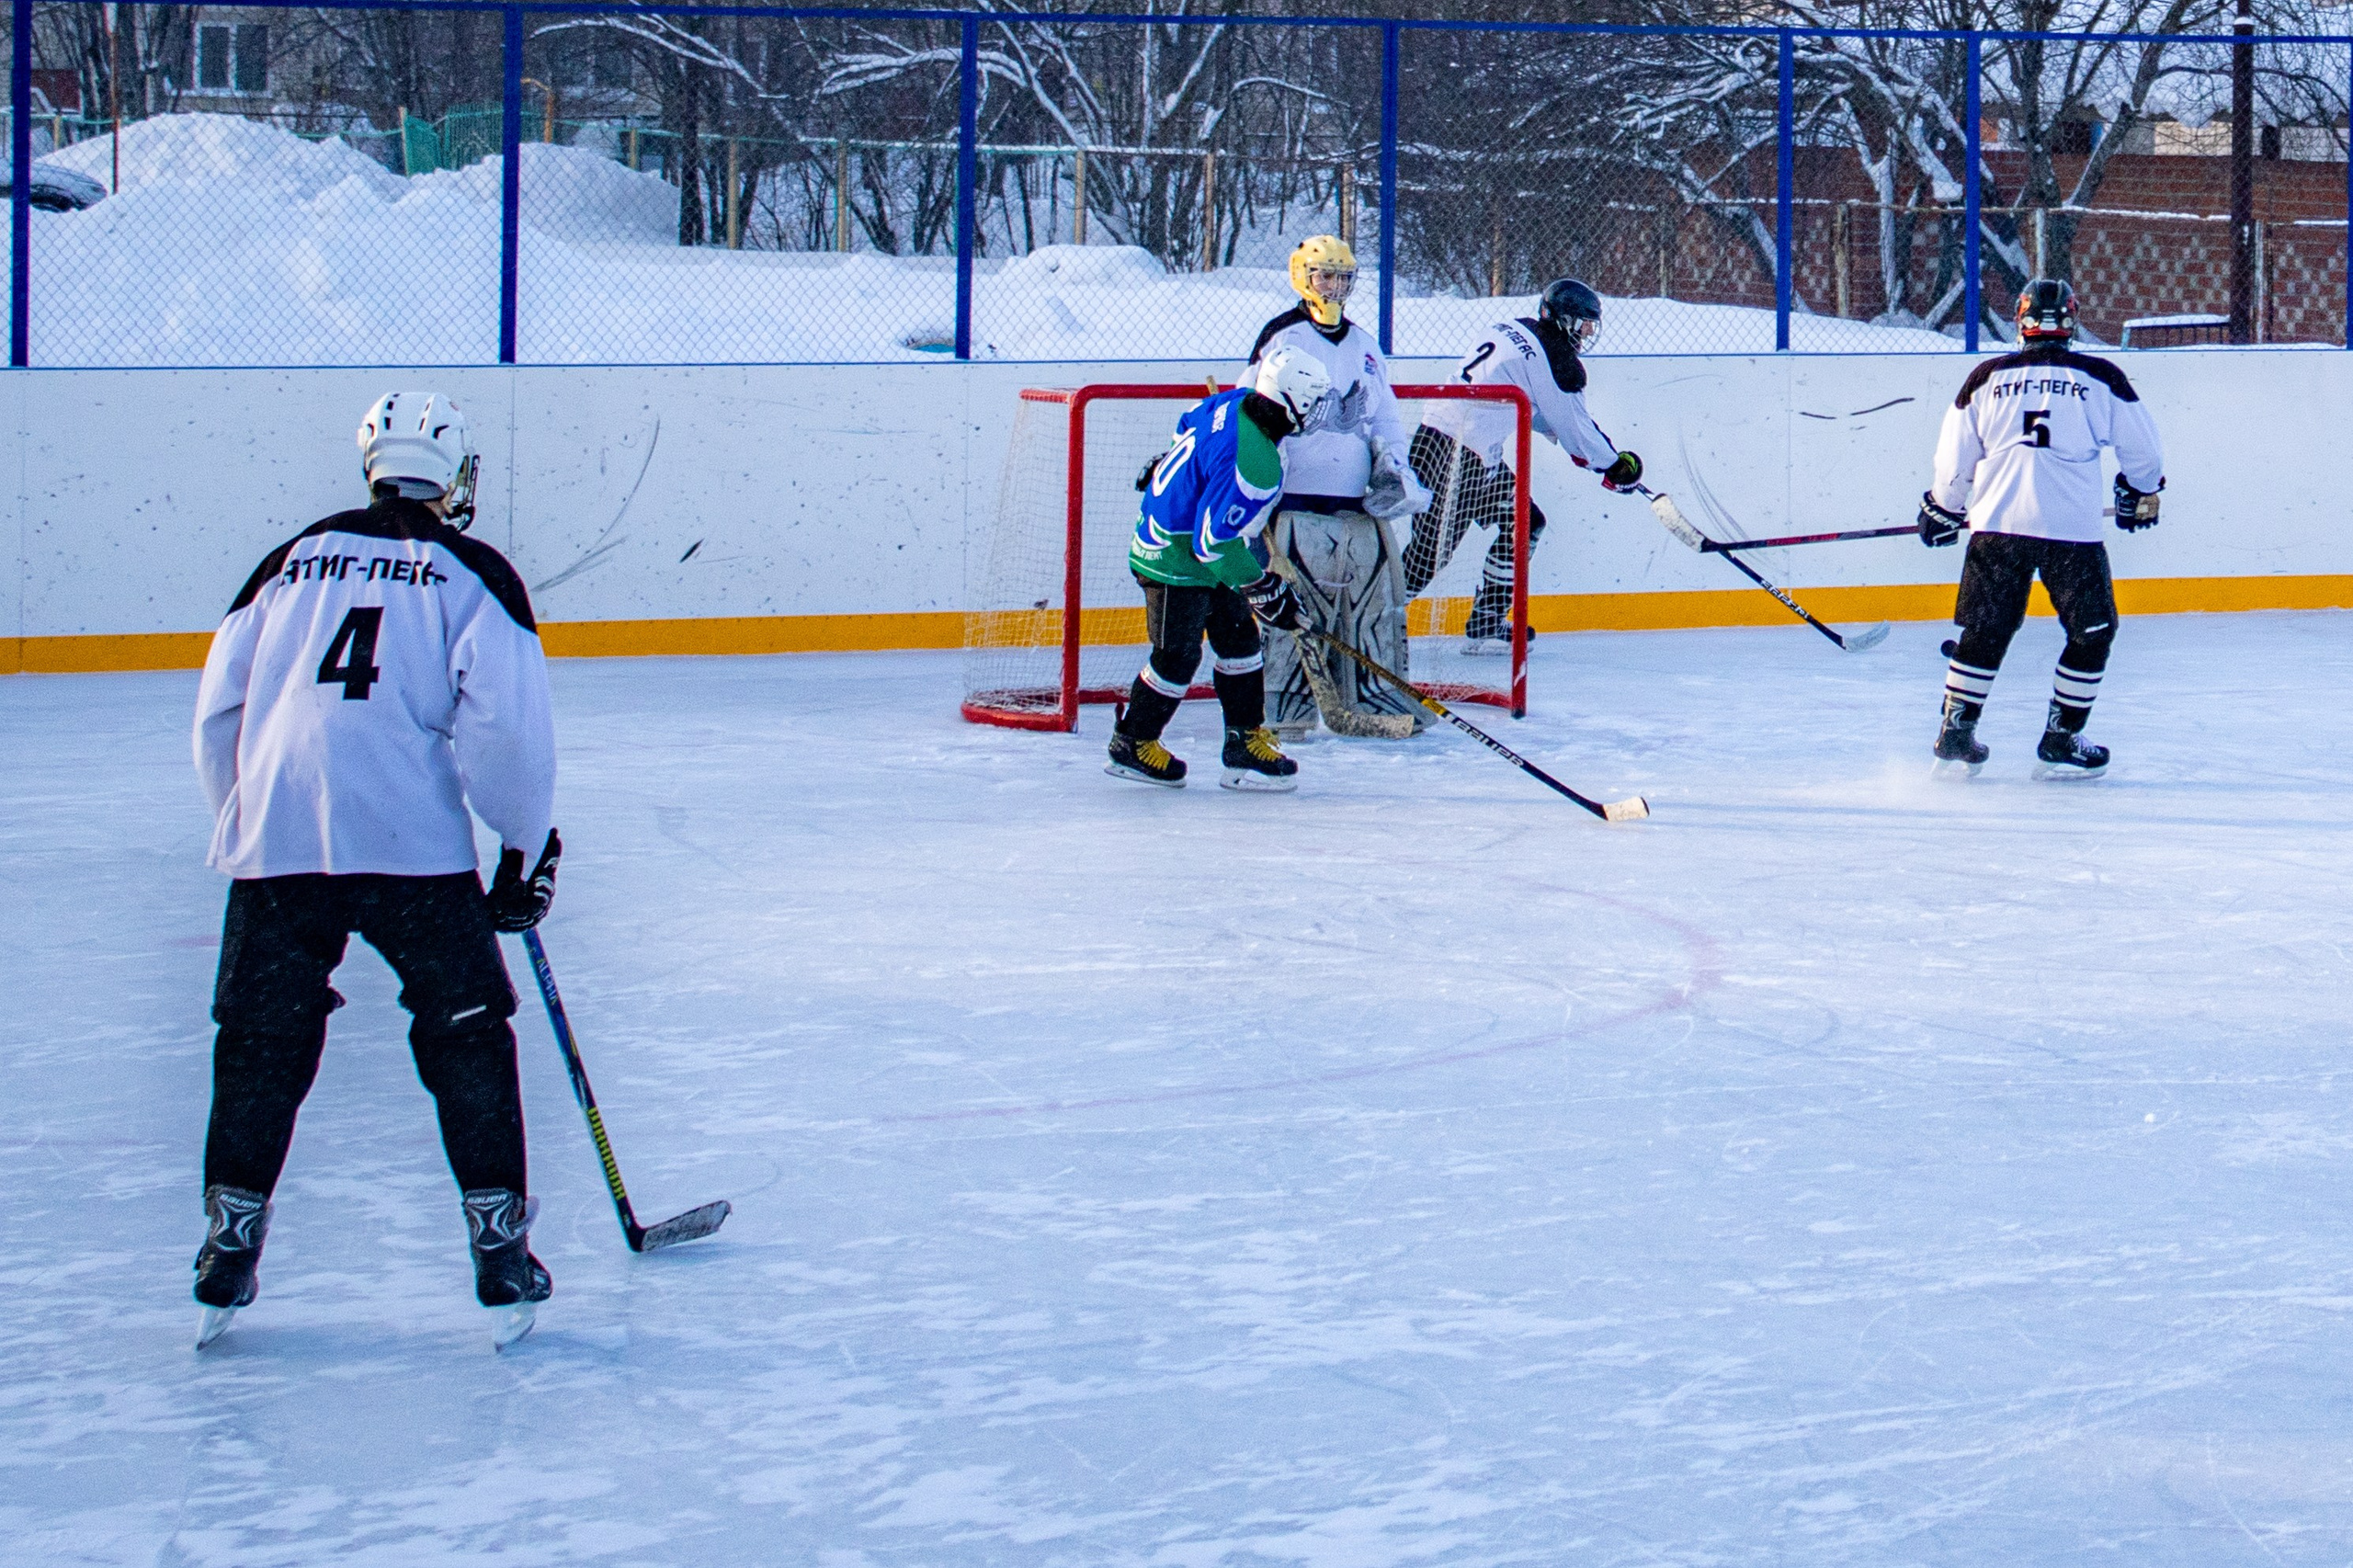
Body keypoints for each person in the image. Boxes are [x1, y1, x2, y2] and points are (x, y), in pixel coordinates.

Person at [188, 391, 564, 1349]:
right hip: (412, 847)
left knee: (261, 1037)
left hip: (278, 839)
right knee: (468, 1033)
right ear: (455, 474)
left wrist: (243, 819)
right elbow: (508, 731)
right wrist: (521, 848)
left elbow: (219, 711)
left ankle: (229, 1241)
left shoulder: (287, 561)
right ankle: (499, 1246)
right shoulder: (473, 571)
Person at [1917, 279, 2165, 778]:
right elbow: (2144, 452)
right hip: (2069, 530)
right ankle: (2062, 736)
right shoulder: (2101, 376)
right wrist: (2139, 490)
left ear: (2021, 320)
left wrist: (1944, 506)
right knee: (2093, 631)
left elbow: (1954, 456)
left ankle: (1957, 729)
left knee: (1986, 629)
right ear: (2070, 319)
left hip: (1998, 527)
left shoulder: (1986, 377)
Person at [1107, 347, 1333, 790]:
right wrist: (1262, 586)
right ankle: (1132, 743)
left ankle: (1243, 744)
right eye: (1314, 400)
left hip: (1202, 546)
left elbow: (1189, 422)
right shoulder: (1256, 464)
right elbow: (1213, 544)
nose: (1320, 410)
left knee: (1241, 642)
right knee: (1178, 656)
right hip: (1173, 556)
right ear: (1291, 401)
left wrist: (1175, 464)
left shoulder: (1228, 402)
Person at [1244, 234, 1431, 733]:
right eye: (1325, 275)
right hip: (1295, 502)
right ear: (1301, 276)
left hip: (1355, 505)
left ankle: (1376, 697)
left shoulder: (1365, 345)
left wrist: (1395, 468)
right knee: (1296, 612)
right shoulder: (1281, 337)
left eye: (1343, 276)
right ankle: (1287, 705)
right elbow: (1253, 413)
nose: (1334, 285)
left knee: (1374, 608)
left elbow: (1384, 417)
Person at [1406, 278, 1644, 652]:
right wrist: (1613, 466)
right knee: (1427, 557)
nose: (1587, 332)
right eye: (1583, 323)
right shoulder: (1557, 359)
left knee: (1525, 521)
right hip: (1457, 455)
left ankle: (1486, 618)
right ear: (1564, 319)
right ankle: (1367, 622)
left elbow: (1534, 408)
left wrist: (1595, 455)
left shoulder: (1517, 327)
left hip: (1452, 444)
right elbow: (1574, 428)